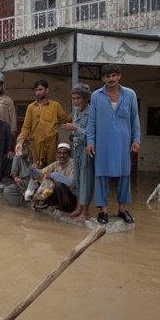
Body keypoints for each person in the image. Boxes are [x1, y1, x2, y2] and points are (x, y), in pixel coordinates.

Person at [86, 64, 141, 225]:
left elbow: (135, 119)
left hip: (124, 144)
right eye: (107, 76)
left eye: (113, 75)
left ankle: (122, 209)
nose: (111, 79)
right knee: (101, 175)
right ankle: (103, 211)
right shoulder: (96, 96)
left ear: (119, 76)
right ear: (103, 78)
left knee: (124, 175)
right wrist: (90, 141)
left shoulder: (130, 94)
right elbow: (92, 121)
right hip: (102, 143)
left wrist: (136, 140)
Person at [16, 79, 69, 168]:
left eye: (40, 89)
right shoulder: (31, 107)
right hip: (35, 143)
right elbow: (26, 127)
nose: (38, 92)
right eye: (36, 90)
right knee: (37, 167)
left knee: (51, 166)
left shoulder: (55, 105)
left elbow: (65, 119)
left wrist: (77, 112)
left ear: (47, 90)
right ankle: (39, 182)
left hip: (50, 141)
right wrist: (20, 142)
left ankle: (49, 182)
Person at [63, 83, 94, 221]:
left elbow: (93, 135)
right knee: (78, 179)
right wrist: (73, 134)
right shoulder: (76, 112)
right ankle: (78, 208)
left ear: (86, 98)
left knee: (86, 180)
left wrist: (75, 128)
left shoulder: (92, 112)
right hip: (77, 150)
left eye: (78, 98)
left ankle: (85, 211)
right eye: (73, 98)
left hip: (87, 151)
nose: (75, 101)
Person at [35, 143, 76, 212]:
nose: (61, 156)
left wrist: (53, 175)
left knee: (58, 184)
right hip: (58, 197)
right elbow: (41, 173)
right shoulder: (56, 164)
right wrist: (34, 172)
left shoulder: (73, 164)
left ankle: (61, 206)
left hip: (69, 200)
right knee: (42, 180)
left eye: (64, 153)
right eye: (59, 153)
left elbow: (71, 183)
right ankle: (45, 202)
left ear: (69, 154)